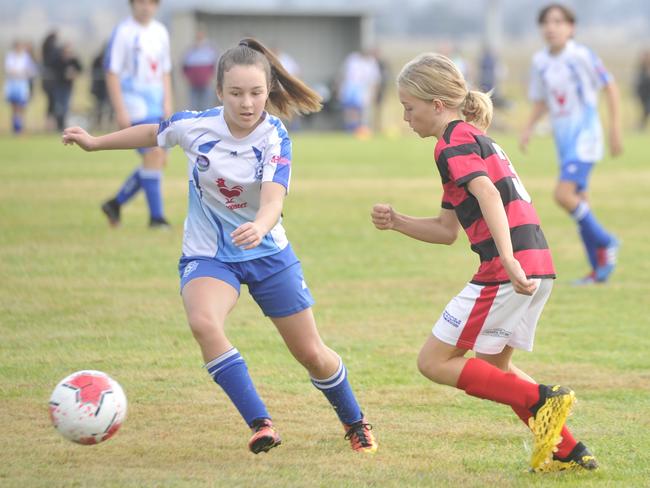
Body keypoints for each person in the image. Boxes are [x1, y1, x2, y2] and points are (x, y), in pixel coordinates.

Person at [62, 37, 378, 455]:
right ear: (218, 92)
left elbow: (273, 200)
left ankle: (355, 421)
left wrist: (261, 226)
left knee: (311, 353)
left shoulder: (274, 136)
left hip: (268, 253)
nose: (247, 103)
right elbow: (154, 132)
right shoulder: (197, 126)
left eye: (256, 93)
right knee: (204, 324)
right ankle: (261, 423)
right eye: (236, 93)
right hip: (209, 254)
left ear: (268, 91)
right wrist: (96, 141)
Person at [371, 52, 597, 472]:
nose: (405, 117)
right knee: (497, 368)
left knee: (434, 362)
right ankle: (569, 451)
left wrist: (507, 260)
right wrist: (397, 221)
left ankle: (544, 398)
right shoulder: (473, 139)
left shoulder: (452, 142)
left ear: (437, 104)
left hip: (507, 266)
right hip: (537, 261)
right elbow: (446, 230)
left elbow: (489, 195)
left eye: (409, 107)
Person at [520, 3, 621, 285]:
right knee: (580, 203)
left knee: (563, 195)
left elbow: (610, 87)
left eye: (558, 22)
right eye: (546, 23)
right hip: (564, 143)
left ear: (571, 27)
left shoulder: (581, 56)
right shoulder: (540, 61)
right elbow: (541, 100)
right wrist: (527, 128)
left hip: (586, 138)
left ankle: (607, 240)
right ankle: (597, 270)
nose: (551, 28)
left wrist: (614, 128)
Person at [101, 0, 173, 229]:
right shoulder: (124, 32)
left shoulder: (161, 31)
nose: (146, 7)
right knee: (153, 154)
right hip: (135, 105)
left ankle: (115, 203)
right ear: (131, 4)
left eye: (151, 2)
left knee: (159, 159)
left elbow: (165, 72)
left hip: (157, 106)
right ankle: (156, 218)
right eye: (140, 2)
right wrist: (121, 109)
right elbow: (111, 73)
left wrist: (168, 102)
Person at [337, 49, 381, 137]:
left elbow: (375, 80)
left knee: (360, 110)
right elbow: (343, 74)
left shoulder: (372, 63)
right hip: (350, 86)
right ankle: (349, 129)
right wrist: (340, 89)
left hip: (363, 88)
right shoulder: (352, 59)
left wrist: (374, 93)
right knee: (349, 109)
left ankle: (359, 129)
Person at [4, 40, 37, 134]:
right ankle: (15, 128)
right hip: (13, 84)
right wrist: (17, 72)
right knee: (14, 107)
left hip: (22, 84)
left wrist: (25, 73)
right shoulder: (10, 56)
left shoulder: (25, 57)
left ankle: (20, 127)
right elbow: (9, 69)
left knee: (22, 106)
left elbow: (32, 70)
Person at [182, 30, 218, 111]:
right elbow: (184, 67)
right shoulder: (190, 51)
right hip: (193, 85)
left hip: (206, 84)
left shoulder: (210, 51)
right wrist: (188, 79)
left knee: (206, 107)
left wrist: (211, 78)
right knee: (194, 107)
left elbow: (215, 66)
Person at [52, 42, 82, 131]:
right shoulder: (58, 60)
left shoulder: (73, 60)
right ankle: (58, 125)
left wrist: (74, 73)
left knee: (65, 107)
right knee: (58, 107)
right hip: (58, 86)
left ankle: (63, 126)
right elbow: (53, 67)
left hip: (68, 87)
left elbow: (80, 68)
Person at [91, 44, 113, 130]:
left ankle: (110, 125)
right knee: (99, 107)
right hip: (100, 89)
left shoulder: (112, 60)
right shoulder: (98, 60)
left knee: (111, 109)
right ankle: (98, 124)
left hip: (109, 90)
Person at [41, 31, 60, 131]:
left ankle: (49, 125)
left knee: (50, 104)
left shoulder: (45, 48)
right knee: (52, 104)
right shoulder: (53, 50)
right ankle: (50, 126)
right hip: (52, 82)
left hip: (46, 81)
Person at [634, 49, 650, 130]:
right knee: (646, 110)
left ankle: (641, 126)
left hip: (648, 93)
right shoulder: (642, 69)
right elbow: (639, 82)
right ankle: (641, 126)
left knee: (647, 109)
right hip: (643, 94)